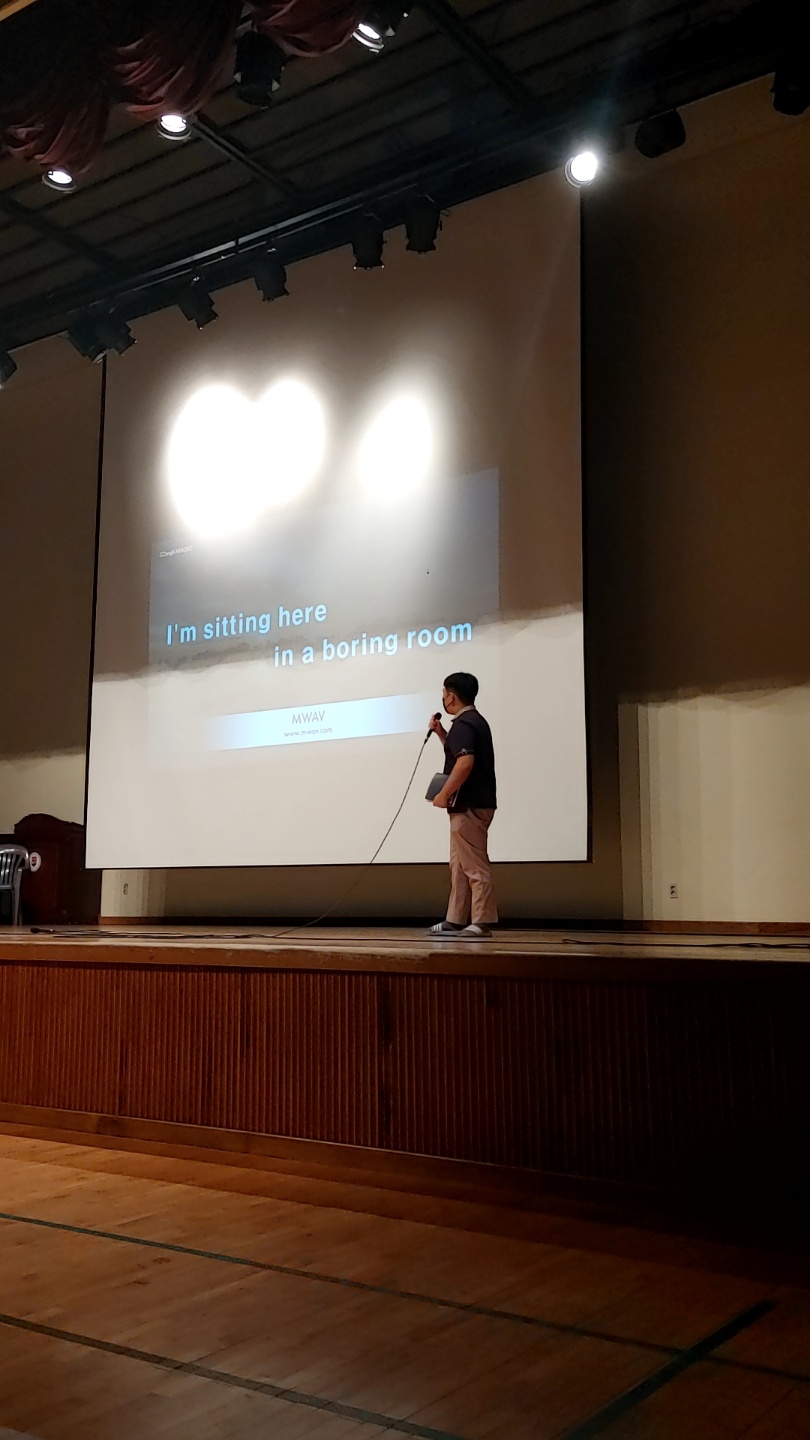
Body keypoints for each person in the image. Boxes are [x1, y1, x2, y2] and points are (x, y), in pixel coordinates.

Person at [427, 672, 497, 938]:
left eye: (444, 694)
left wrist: (443, 794)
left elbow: (465, 763)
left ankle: (481, 920)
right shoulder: (471, 723)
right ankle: (455, 919)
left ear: (451, 697)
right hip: (469, 804)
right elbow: (458, 752)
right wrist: (441, 733)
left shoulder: (465, 724)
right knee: (459, 865)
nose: (443, 699)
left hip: (470, 804)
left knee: (474, 865)